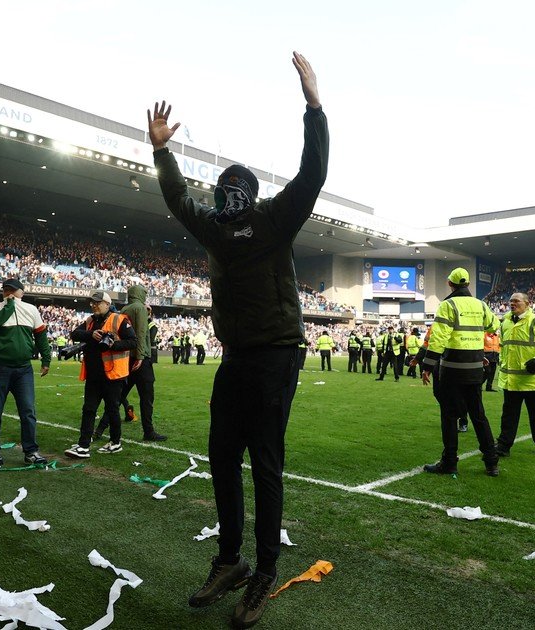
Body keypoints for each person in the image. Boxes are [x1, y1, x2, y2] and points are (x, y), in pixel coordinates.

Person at [148, 51, 327, 627]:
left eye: (234, 188)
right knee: (222, 457)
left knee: (265, 463)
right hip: (236, 357)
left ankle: (265, 570)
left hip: (276, 354)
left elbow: (312, 176)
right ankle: (230, 560)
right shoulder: (216, 230)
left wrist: (314, 106)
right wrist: (161, 152)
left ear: (248, 192)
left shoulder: (274, 219)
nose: (225, 196)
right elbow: (178, 199)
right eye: (221, 188)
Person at [419, 269, 500, 477]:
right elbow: (494, 325)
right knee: (478, 415)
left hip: (452, 369)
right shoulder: (481, 305)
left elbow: (438, 338)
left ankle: (449, 462)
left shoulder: (448, 305)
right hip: (475, 368)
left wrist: (427, 366)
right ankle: (491, 462)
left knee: (449, 416)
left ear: (450, 283)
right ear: (468, 284)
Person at [0, 278, 51, 465]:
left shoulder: (31, 309)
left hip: (23, 369)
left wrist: (46, 359)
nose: (9, 293)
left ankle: (31, 451)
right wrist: (10, 305)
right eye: (6, 290)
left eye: (13, 290)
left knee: (28, 411)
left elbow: (41, 336)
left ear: (22, 292)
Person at [65, 291, 137, 457]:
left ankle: (115, 442)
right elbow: (74, 334)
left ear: (107, 304)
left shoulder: (119, 319)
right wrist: (91, 334)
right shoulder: (90, 321)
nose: (94, 305)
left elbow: (133, 342)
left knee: (112, 410)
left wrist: (112, 344)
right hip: (94, 374)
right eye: (92, 303)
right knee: (89, 409)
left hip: (113, 375)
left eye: (97, 302)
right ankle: (83, 445)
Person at [94, 285, 167, 442]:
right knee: (146, 398)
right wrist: (140, 356)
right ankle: (148, 431)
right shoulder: (140, 308)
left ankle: (100, 429)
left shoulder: (125, 308)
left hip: (126, 359)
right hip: (141, 360)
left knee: (118, 397)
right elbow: (141, 333)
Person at [494, 293, 535, 457]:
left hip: (533, 380)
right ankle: (503, 445)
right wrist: (501, 362)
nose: (512, 303)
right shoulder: (505, 322)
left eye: (516, 301)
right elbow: (503, 346)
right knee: (508, 416)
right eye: (510, 301)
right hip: (511, 380)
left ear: (527, 303)